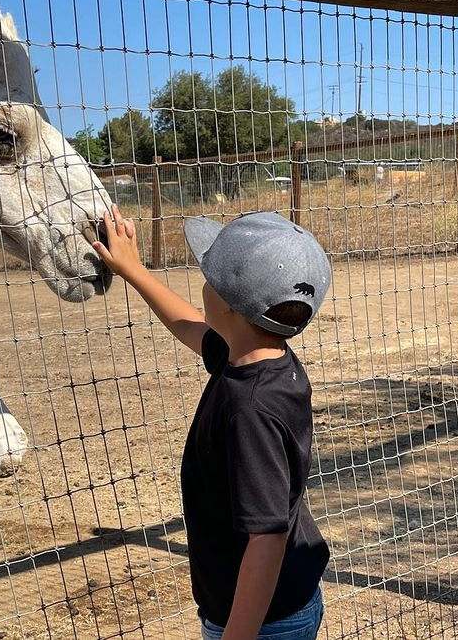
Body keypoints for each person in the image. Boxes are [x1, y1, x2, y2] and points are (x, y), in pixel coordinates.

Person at [91, 206, 332, 640]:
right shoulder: (261, 357)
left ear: (230, 305)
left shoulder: (250, 409)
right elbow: (191, 328)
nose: (203, 285)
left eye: (209, 277)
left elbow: (267, 538)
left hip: (263, 622)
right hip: (283, 602)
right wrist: (134, 271)